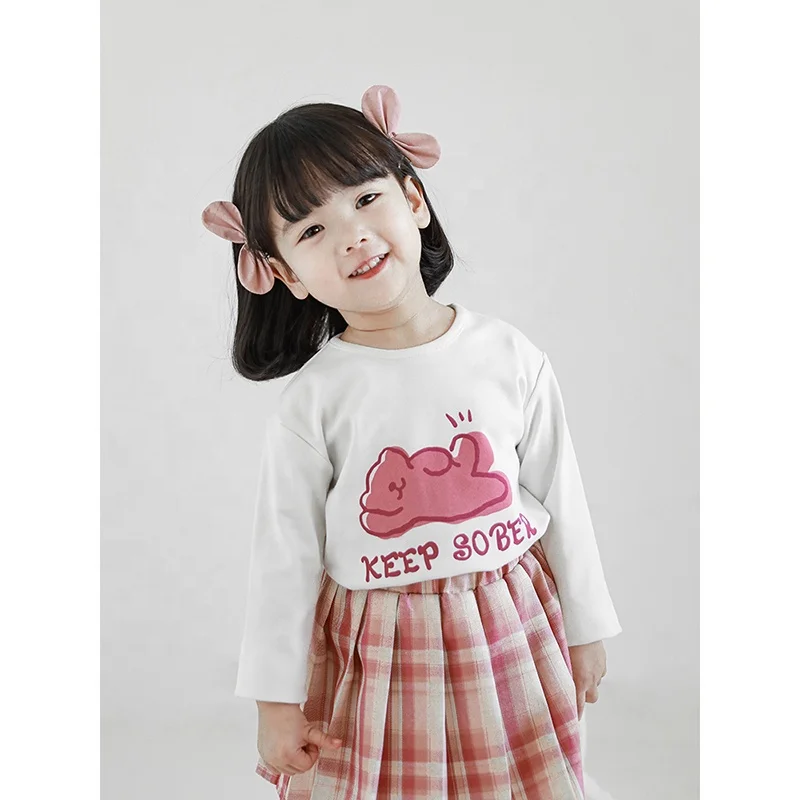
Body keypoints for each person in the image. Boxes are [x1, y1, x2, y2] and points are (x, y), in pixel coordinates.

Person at [201, 84, 622, 799]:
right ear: (285, 275)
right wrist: (275, 702)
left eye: (366, 200)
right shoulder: (315, 402)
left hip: (509, 626)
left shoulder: (508, 355)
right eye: (311, 231)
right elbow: (284, 557)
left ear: (415, 200)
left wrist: (586, 627)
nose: (352, 236)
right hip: (379, 646)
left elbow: (563, 499)